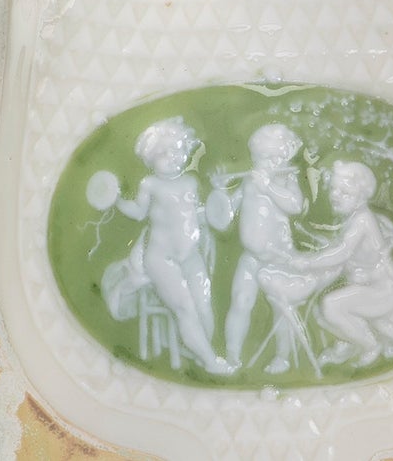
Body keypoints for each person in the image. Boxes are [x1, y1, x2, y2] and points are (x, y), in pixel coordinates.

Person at [110, 117, 233, 374]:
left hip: (191, 257)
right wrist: (117, 200)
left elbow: (201, 215)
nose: (172, 158)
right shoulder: (150, 184)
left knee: (204, 306)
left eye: (177, 151)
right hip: (161, 259)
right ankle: (210, 361)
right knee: (185, 308)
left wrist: (219, 195)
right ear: (150, 156)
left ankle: (201, 351)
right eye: (163, 153)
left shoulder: (190, 183)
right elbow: (139, 212)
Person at [308, 160, 393, 368]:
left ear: (361, 196)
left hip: (384, 291)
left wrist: (306, 263)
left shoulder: (362, 220)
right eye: (334, 189)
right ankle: (350, 341)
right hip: (368, 287)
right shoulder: (352, 219)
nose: (335, 195)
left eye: (345, 192)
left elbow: (342, 253)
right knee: (321, 311)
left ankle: (370, 345)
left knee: (330, 306)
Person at [221, 123, 322, 373]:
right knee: (240, 301)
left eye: (268, 158)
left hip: (279, 258)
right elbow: (228, 210)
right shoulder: (249, 181)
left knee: (281, 309)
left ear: (283, 157)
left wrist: (268, 186)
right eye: (258, 157)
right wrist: (220, 194)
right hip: (250, 257)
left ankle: (282, 357)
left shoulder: (286, 179)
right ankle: (232, 355)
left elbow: (295, 205)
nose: (261, 164)